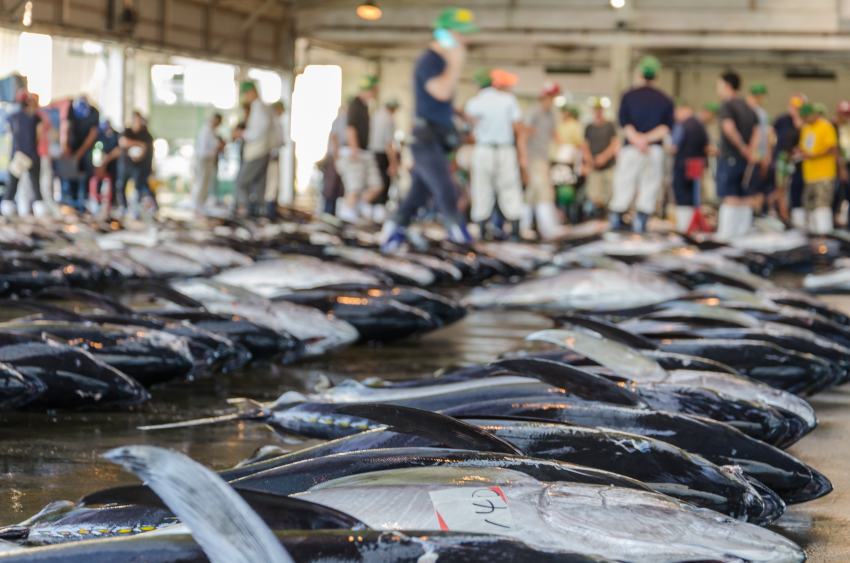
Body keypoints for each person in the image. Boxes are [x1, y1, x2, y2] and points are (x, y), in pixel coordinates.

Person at [380, 7, 478, 252]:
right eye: (460, 34)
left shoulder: (439, 62)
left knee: (419, 194)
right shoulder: (430, 61)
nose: (464, 40)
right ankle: (460, 239)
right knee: (447, 190)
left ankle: (393, 231)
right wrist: (455, 63)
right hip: (425, 139)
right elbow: (441, 91)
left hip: (436, 137)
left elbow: (437, 100)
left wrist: (458, 114)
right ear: (445, 34)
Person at [609, 55, 674, 233]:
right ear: (656, 76)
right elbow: (666, 127)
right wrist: (647, 140)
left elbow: (625, 124)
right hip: (653, 149)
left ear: (639, 73)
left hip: (632, 148)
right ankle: (641, 224)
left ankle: (616, 222)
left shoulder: (628, 96)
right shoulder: (665, 99)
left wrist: (637, 140)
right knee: (649, 187)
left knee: (624, 184)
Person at [464, 68, 526, 240]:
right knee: (510, 189)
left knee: (482, 188)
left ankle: (483, 233)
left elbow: (469, 129)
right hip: (505, 149)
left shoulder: (474, 102)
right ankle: (515, 233)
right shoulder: (508, 100)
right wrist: (522, 156)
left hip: (483, 149)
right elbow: (518, 128)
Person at [715, 70, 759, 240]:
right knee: (745, 196)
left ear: (727, 86)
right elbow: (757, 131)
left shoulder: (728, 105)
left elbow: (728, 127)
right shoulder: (749, 107)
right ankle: (743, 236)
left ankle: (726, 238)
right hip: (746, 160)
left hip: (731, 156)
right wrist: (750, 151)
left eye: (719, 85)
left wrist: (742, 148)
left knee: (730, 196)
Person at [336, 75, 383, 222]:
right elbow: (350, 129)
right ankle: (346, 217)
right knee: (354, 188)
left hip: (365, 152)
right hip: (354, 152)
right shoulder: (355, 105)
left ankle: (358, 208)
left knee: (376, 185)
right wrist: (354, 149)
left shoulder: (364, 106)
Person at [523, 82, 561, 239]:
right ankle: (549, 228)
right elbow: (524, 134)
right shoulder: (535, 112)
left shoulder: (551, 114)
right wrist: (523, 158)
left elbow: (554, 134)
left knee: (533, 193)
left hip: (543, 157)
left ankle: (524, 226)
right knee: (543, 192)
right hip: (534, 158)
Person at [3, 90, 46, 217]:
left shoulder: (12, 117)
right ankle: (39, 213)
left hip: (17, 156)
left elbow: (10, 136)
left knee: (12, 188)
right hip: (32, 155)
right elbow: (38, 137)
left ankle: (8, 213)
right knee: (36, 187)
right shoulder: (35, 117)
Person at [797, 102, 838, 234]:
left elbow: (832, 148)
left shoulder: (825, 126)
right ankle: (813, 233)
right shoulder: (806, 128)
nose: (805, 120)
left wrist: (813, 155)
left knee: (822, 204)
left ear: (813, 114)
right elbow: (804, 147)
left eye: (806, 117)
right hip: (809, 174)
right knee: (809, 204)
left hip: (824, 173)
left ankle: (824, 232)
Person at [233, 80, 272, 217]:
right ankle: (258, 214)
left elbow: (258, 131)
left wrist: (242, 134)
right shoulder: (258, 108)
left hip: (257, 152)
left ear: (252, 92)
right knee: (258, 186)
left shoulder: (259, 108)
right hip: (260, 151)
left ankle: (247, 212)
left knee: (241, 182)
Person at [670, 102, 710, 232]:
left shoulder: (682, 126)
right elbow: (707, 147)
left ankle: (684, 227)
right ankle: (693, 226)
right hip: (697, 166)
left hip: (682, 165)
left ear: (683, 110)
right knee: (694, 197)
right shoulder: (701, 126)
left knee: (682, 195)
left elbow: (674, 147)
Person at [60, 95, 100, 212]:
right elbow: (65, 127)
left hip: (86, 147)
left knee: (86, 173)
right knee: (69, 173)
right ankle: (70, 201)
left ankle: (84, 201)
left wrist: (80, 153)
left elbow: (92, 135)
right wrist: (65, 145)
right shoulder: (71, 109)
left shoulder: (94, 112)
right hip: (72, 145)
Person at [582, 98, 619, 216]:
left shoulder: (610, 126)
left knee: (608, 194)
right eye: (595, 110)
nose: (597, 112)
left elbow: (615, 144)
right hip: (594, 167)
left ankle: (607, 217)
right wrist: (589, 160)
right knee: (594, 195)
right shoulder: (589, 127)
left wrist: (604, 157)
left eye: (599, 110)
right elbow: (585, 145)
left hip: (608, 166)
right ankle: (595, 217)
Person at [773, 95, 806, 227]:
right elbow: (772, 134)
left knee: (795, 188)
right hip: (782, 157)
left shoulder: (803, 122)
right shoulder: (782, 120)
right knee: (781, 187)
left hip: (797, 159)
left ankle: (796, 216)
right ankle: (783, 215)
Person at [115, 111, 155, 216]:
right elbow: (123, 142)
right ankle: (123, 207)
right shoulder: (127, 131)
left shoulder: (146, 134)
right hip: (125, 164)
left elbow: (145, 150)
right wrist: (139, 144)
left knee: (139, 187)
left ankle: (138, 209)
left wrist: (140, 150)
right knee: (121, 186)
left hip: (139, 166)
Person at [368, 98, 400, 223]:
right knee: (383, 182)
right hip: (382, 154)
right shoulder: (388, 119)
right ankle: (379, 214)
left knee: (374, 181)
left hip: (372, 153)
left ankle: (372, 212)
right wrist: (393, 163)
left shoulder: (376, 115)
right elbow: (388, 144)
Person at [747, 83, 773, 212]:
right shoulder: (755, 113)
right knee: (751, 188)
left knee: (756, 188)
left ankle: (755, 214)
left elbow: (766, 137)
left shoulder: (761, 113)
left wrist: (766, 156)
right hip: (753, 156)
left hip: (756, 156)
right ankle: (752, 214)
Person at [191, 112, 223, 214]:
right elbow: (205, 149)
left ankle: (201, 204)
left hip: (208, 159)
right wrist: (217, 148)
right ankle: (198, 205)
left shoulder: (211, 131)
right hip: (204, 159)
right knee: (202, 182)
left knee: (205, 183)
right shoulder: (206, 130)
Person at [89, 120, 121, 214]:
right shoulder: (100, 136)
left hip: (113, 164)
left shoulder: (116, 136)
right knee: (98, 182)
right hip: (101, 163)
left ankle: (113, 205)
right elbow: (96, 150)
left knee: (114, 184)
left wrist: (108, 157)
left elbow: (119, 150)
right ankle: (97, 203)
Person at [322, 103, 347, 215]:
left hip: (337, 157)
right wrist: (337, 157)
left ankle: (331, 213)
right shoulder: (340, 120)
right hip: (335, 157)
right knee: (331, 188)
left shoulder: (341, 120)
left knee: (336, 189)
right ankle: (327, 213)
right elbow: (334, 137)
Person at [265, 101, 287, 218]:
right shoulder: (272, 122)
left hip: (275, 156)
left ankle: (272, 208)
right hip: (270, 157)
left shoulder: (277, 122)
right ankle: (269, 210)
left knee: (274, 184)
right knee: (271, 185)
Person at [835, 100, 850, 228]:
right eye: (843, 114)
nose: (846, 116)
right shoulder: (835, 127)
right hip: (840, 166)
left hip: (846, 165)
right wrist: (842, 168)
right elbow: (839, 151)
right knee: (839, 194)